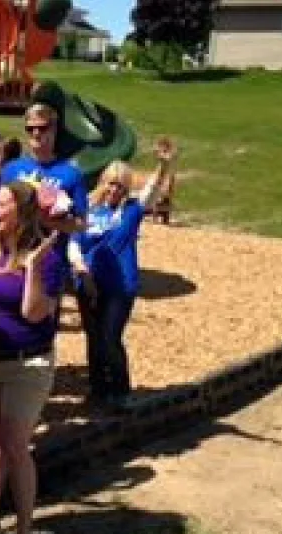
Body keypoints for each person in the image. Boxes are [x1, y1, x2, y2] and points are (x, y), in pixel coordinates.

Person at [0, 181, 66, 534]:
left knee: (15, 445)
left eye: (3, 204)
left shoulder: (50, 259)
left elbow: (33, 314)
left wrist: (36, 269)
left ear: (22, 212)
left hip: (29, 362)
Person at [73, 140, 177, 412]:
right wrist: (79, 267)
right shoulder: (88, 211)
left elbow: (152, 190)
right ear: (102, 182)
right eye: (110, 183)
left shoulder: (131, 211)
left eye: (120, 185)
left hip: (120, 286)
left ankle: (120, 390)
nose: (114, 189)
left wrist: (164, 164)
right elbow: (73, 241)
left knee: (110, 337)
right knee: (93, 339)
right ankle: (98, 389)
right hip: (89, 282)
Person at [1, 103, 88, 236]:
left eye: (42, 128)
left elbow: (81, 224)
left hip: (53, 252)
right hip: (14, 250)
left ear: (54, 130)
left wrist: (43, 219)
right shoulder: (11, 169)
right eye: (30, 129)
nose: (36, 133)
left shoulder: (71, 173)